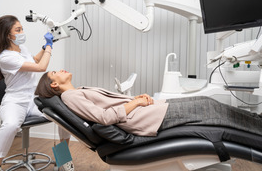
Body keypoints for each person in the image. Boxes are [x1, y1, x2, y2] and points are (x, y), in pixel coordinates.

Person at [35, 69, 262, 137]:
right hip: (148, 118)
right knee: (211, 108)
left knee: (209, 104)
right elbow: (103, 118)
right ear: (54, 85)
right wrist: (137, 105)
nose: (62, 70)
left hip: (149, 112)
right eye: (56, 72)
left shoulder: (77, 92)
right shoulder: (70, 96)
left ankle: (257, 123)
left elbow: (108, 107)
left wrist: (135, 99)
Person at [0, 15, 70, 171]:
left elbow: (34, 61)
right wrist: (50, 47)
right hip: (15, 101)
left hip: (32, 100)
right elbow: (41, 68)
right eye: (17, 30)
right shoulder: (5, 57)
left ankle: (63, 161)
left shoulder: (21, 49)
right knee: (10, 125)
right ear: (7, 35)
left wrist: (44, 46)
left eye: (22, 28)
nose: (21, 32)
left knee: (64, 113)